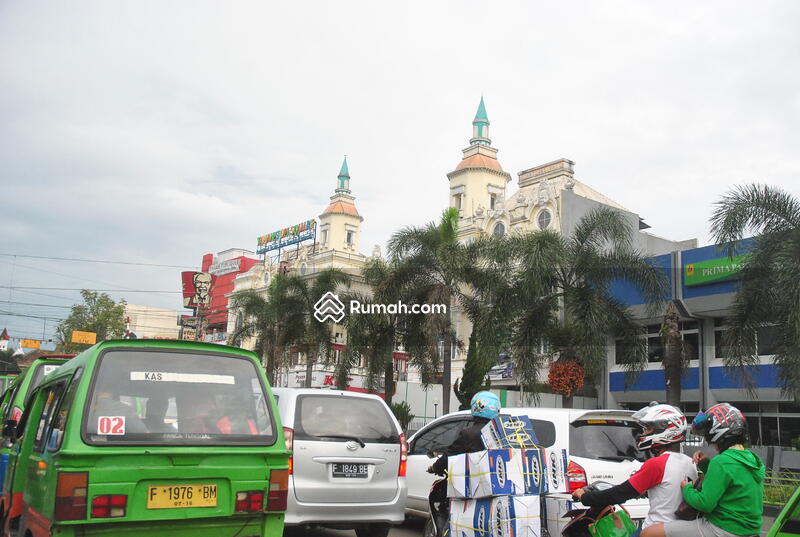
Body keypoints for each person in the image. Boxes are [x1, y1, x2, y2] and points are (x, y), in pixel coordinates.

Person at [572, 402, 696, 534]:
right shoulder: (689, 462)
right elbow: (669, 492)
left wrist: (585, 497)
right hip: (680, 530)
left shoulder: (658, 463)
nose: (644, 433)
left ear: (665, 430)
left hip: (655, 530)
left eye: (648, 428)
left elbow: (619, 494)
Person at [647, 403, 764, 537]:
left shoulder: (722, 462)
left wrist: (687, 488)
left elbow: (704, 503)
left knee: (649, 533)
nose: (708, 440)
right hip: (750, 531)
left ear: (717, 432)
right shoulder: (751, 459)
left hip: (723, 528)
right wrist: (706, 464)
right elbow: (731, 480)